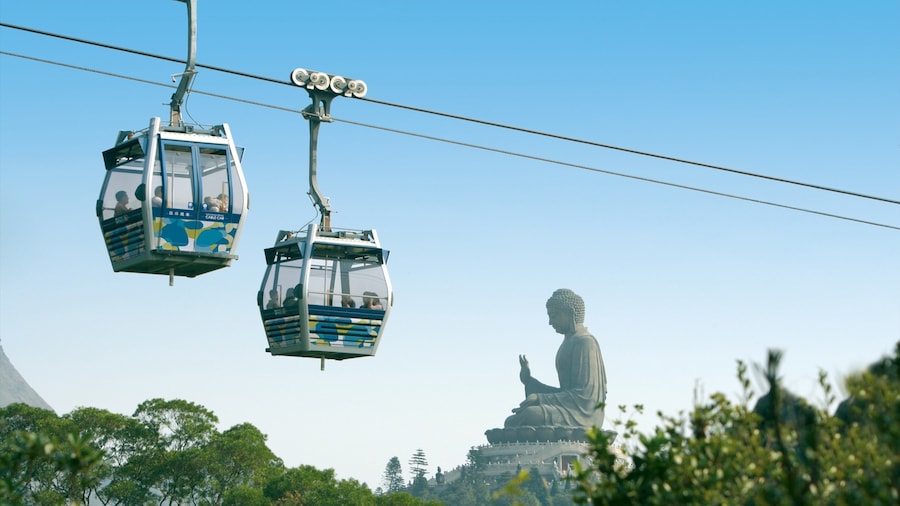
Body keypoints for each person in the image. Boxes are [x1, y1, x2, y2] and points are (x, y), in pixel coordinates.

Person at [504, 288, 607, 429]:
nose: (550, 322)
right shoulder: (568, 342)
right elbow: (564, 393)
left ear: (570, 313)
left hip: (583, 415)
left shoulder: (585, 342)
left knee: (529, 415)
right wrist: (529, 381)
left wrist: (540, 398)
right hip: (569, 408)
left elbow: (585, 396)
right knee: (512, 421)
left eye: (554, 316)